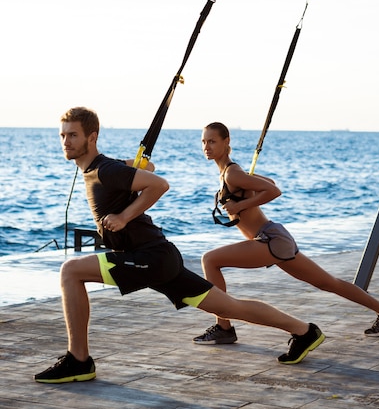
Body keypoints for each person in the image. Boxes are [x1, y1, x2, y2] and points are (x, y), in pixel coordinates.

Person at [34, 107, 325, 384]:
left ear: (91, 137)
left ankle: (79, 360)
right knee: (231, 307)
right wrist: (132, 167)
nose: (66, 141)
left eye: (72, 135)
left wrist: (123, 217)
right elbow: (147, 166)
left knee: (70, 271)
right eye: (62, 135)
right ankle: (304, 331)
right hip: (160, 257)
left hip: (149, 257)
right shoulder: (104, 168)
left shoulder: (105, 169)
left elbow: (158, 183)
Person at [193, 122, 379, 346]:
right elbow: (269, 182)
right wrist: (248, 188)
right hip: (274, 239)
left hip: (269, 240)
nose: (207, 146)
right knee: (328, 282)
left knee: (210, 259)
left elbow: (274, 190)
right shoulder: (232, 172)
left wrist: (239, 206)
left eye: (212, 141)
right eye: (204, 142)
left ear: (226, 142)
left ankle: (224, 327)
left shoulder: (232, 174)